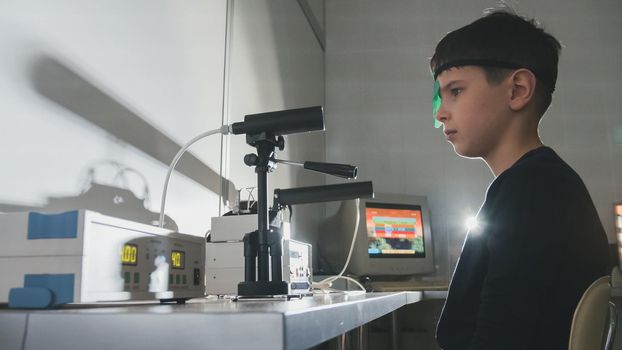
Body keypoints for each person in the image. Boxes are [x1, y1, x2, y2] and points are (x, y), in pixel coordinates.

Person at [429, 9, 610, 349]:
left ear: (517, 90)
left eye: (455, 91)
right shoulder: (538, 184)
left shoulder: (531, 193)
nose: (440, 112)